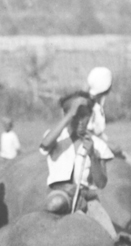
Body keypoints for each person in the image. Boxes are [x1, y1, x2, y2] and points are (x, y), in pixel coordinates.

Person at [40, 92, 117, 237]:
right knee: (55, 204)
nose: (80, 121)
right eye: (76, 116)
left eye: (85, 115)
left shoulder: (99, 145)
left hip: (87, 199)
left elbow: (101, 183)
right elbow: (44, 146)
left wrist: (92, 155)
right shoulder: (56, 138)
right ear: (66, 115)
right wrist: (70, 114)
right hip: (60, 194)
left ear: (91, 115)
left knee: (111, 237)